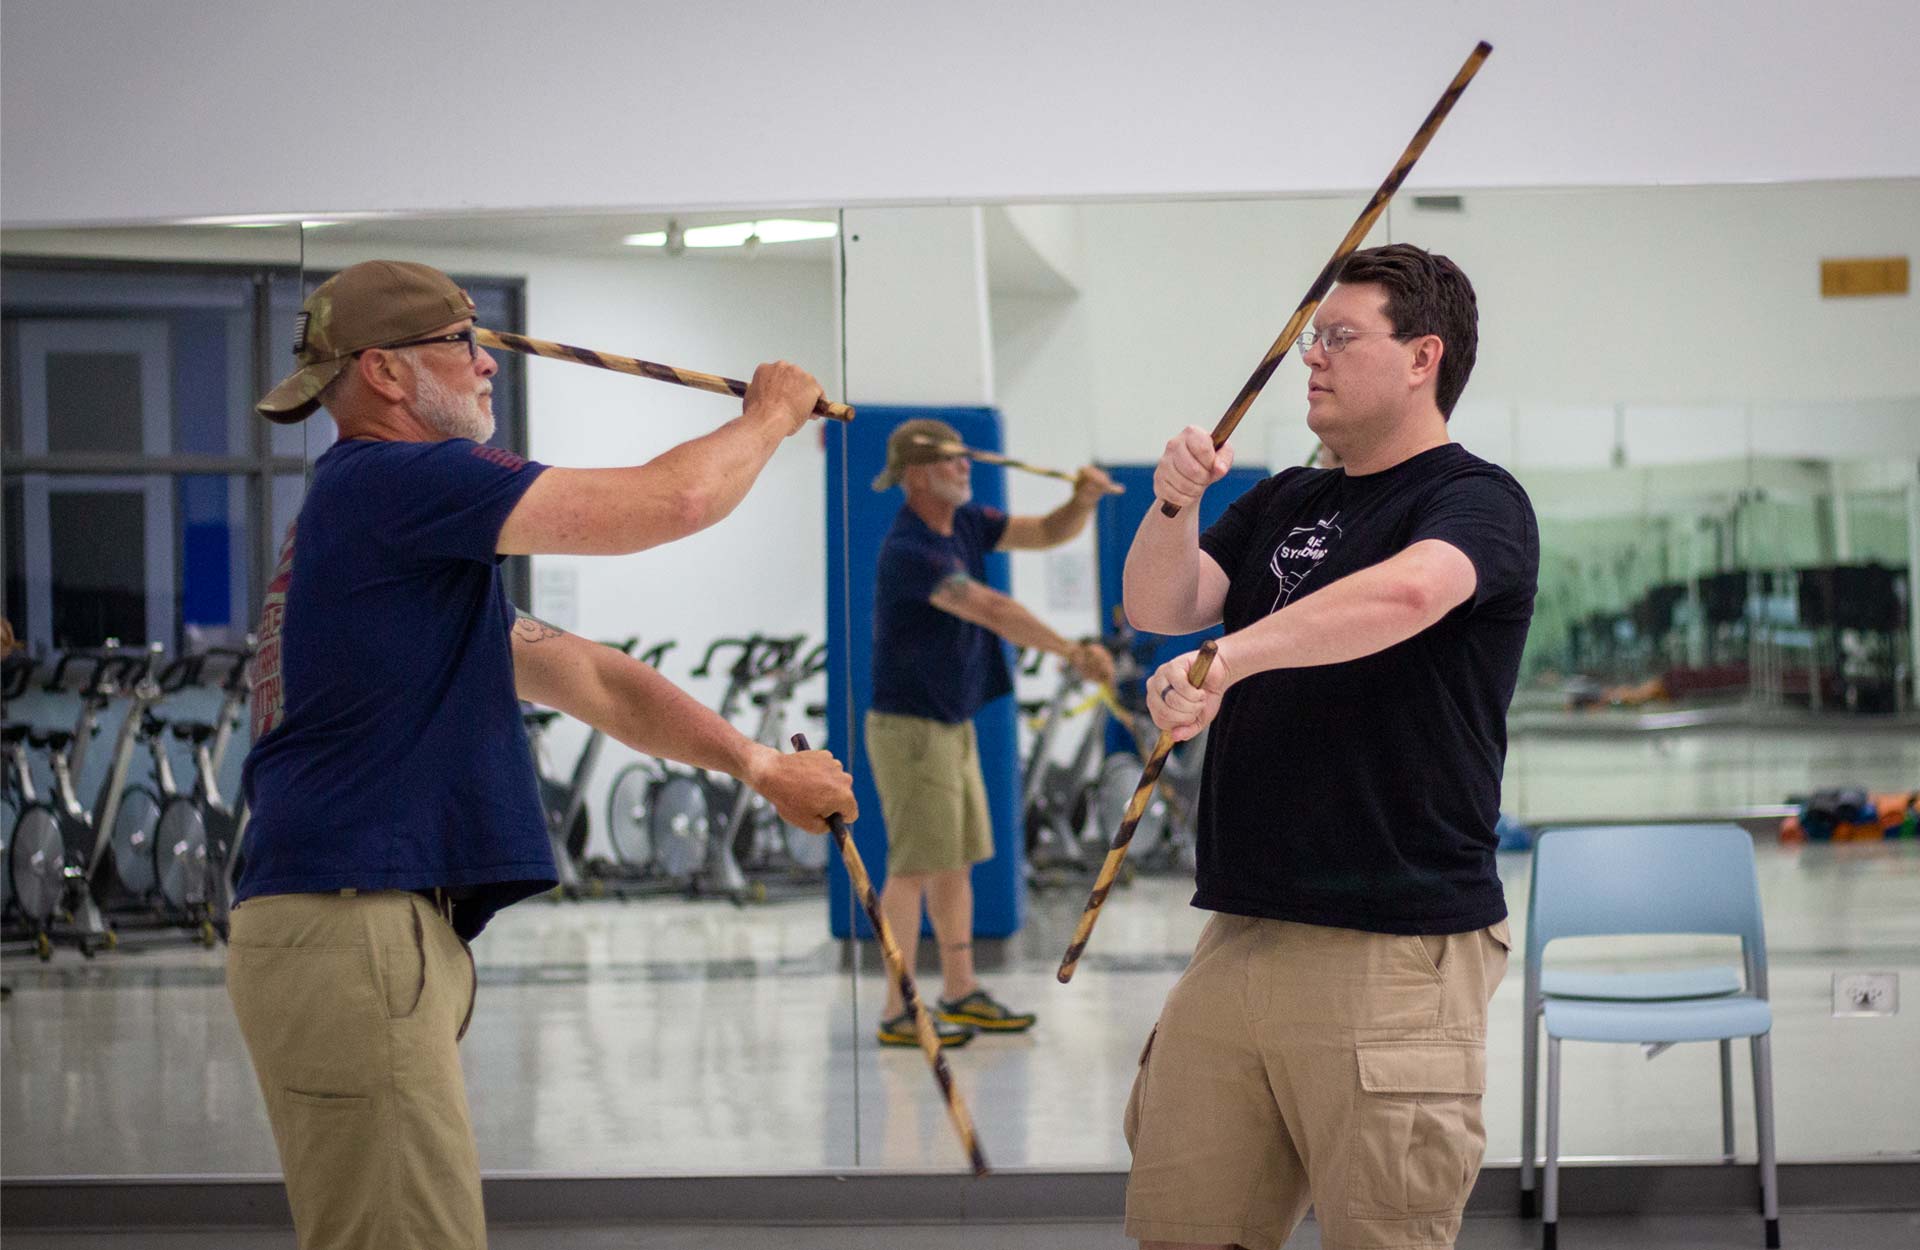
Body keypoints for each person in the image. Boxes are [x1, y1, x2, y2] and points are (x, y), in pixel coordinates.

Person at [225, 259, 856, 1250]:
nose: (485, 366)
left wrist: (759, 765)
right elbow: (671, 503)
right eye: (461, 346)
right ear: (386, 373)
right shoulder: (397, 480)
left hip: (356, 928)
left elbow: (587, 675)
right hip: (352, 925)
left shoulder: (385, 532)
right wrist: (770, 416)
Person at [1119, 243, 1538, 1250]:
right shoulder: (1287, 499)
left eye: (1341, 338)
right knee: (1185, 1226)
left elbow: (1410, 592)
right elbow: (1159, 603)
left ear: (1420, 356)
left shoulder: (1475, 499)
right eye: (1312, 340)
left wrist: (1229, 660)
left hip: (1394, 944)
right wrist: (1173, 504)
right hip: (1244, 928)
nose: (1313, 359)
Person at [867, 419, 1116, 1047]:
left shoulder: (970, 523)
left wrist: (1081, 501)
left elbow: (1046, 532)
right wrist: (1070, 649)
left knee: (955, 865)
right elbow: (992, 610)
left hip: (951, 723)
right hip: (911, 730)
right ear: (918, 474)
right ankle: (899, 1010)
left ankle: (960, 990)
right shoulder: (910, 550)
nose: (965, 468)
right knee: (914, 868)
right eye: (952, 461)